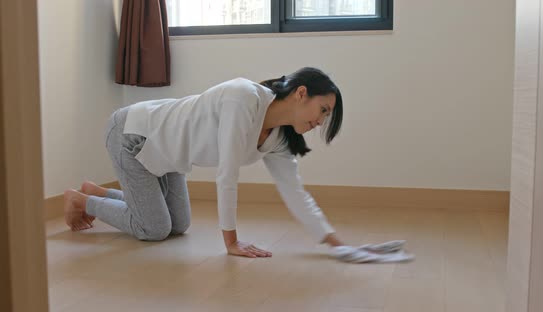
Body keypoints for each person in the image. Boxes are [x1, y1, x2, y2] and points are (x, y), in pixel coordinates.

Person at [63, 67, 346, 258]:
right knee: (154, 229)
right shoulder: (244, 97)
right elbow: (227, 174)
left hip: (169, 157)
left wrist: (334, 242)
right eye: (323, 110)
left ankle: (96, 191)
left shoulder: (280, 140)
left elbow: (294, 192)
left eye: (326, 117)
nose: (320, 122)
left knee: (179, 225)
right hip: (133, 134)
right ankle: (79, 200)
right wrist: (231, 242)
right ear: (300, 93)